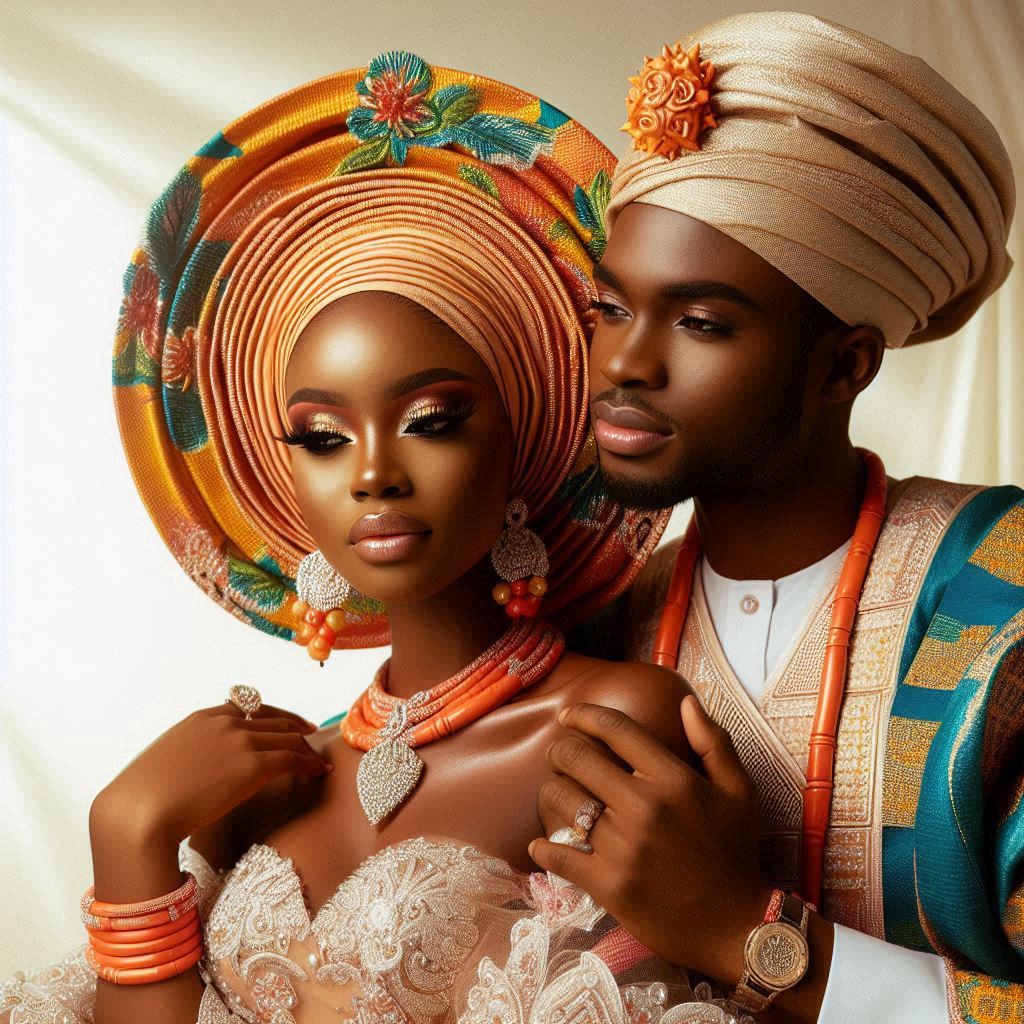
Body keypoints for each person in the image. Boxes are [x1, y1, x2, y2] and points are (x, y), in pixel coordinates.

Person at [0, 52, 735, 1024]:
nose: (374, 472)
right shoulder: (257, 784)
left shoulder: (607, 728)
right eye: (321, 436)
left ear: (521, 440)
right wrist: (129, 839)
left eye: (430, 419)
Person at [528, 11, 1022, 1024]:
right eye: (609, 307)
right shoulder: (598, 618)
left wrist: (736, 928)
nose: (623, 363)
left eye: (700, 321)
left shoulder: (1002, 596)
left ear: (844, 364)